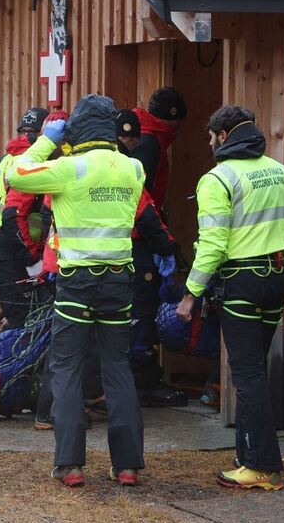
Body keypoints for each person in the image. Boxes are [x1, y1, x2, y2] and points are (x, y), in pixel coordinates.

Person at [176, 105, 284, 491]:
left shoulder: (217, 179)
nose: (207, 143)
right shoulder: (281, 172)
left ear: (223, 136)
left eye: (209, 136)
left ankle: (261, 466)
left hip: (239, 283)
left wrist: (190, 293)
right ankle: (246, 454)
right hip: (275, 279)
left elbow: (214, 244)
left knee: (247, 374)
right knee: (254, 370)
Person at [9, 94, 145, 488]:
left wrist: (47, 140)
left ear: (76, 130)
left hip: (78, 281)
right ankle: (128, 466)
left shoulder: (69, 168)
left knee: (67, 366)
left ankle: (69, 465)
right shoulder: (134, 169)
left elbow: (17, 176)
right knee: (117, 366)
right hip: (119, 279)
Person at [114, 110, 185, 407]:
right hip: (135, 248)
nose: (130, 142)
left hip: (99, 259)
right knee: (141, 315)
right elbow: (144, 210)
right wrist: (168, 248)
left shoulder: (85, 165)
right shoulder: (128, 167)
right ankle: (141, 384)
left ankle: (122, 384)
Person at [0, 107, 49, 328]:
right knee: (23, 320)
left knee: (21, 315)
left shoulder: (6, 158)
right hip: (4, 248)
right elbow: (12, 216)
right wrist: (33, 258)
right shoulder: (27, 164)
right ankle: (7, 360)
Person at [131, 87, 186, 207]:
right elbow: (140, 190)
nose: (180, 125)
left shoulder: (149, 135)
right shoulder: (148, 143)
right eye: (179, 120)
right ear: (173, 117)